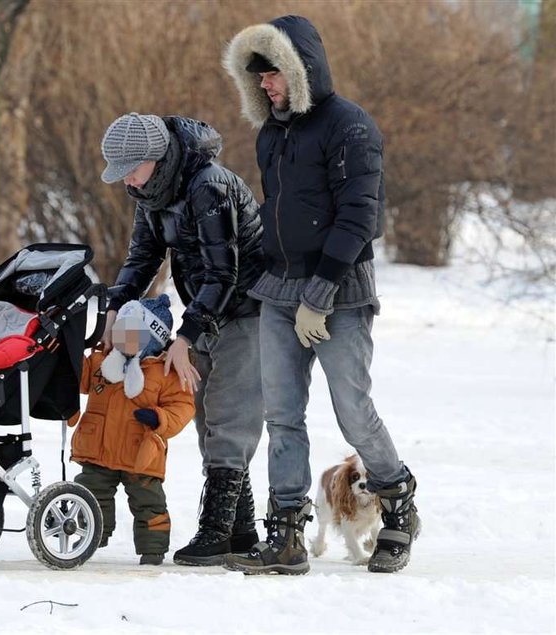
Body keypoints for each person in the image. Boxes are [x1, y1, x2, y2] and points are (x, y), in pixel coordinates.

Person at [221, 15, 420, 575]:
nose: (264, 85)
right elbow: (278, 215)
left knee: (353, 410)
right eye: (256, 76)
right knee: (282, 414)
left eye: (273, 73)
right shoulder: (271, 133)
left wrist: (323, 289)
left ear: (300, 69)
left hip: (340, 289)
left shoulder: (350, 126)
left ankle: (397, 503)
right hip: (280, 290)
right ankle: (285, 531)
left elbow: (361, 215)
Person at [99, 112, 265, 566]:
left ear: (157, 157)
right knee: (205, 418)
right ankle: (242, 530)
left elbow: (223, 271)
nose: (127, 180)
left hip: (247, 308)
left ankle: (214, 531)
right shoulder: (150, 192)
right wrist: (116, 304)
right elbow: (143, 256)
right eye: (122, 174)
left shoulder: (207, 185)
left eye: (132, 168)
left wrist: (185, 335)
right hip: (206, 310)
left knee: (230, 420)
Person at [70, 295, 194, 565]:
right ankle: (90, 537)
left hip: (141, 453)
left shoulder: (165, 372)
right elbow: (76, 376)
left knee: (148, 502)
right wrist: (73, 347)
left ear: (151, 338)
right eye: (121, 329)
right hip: (98, 449)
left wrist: (159, 417)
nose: (123, 336)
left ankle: (153, 551)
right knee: (91, 493)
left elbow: (183, 406)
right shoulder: (101, 361)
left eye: (132, 331)